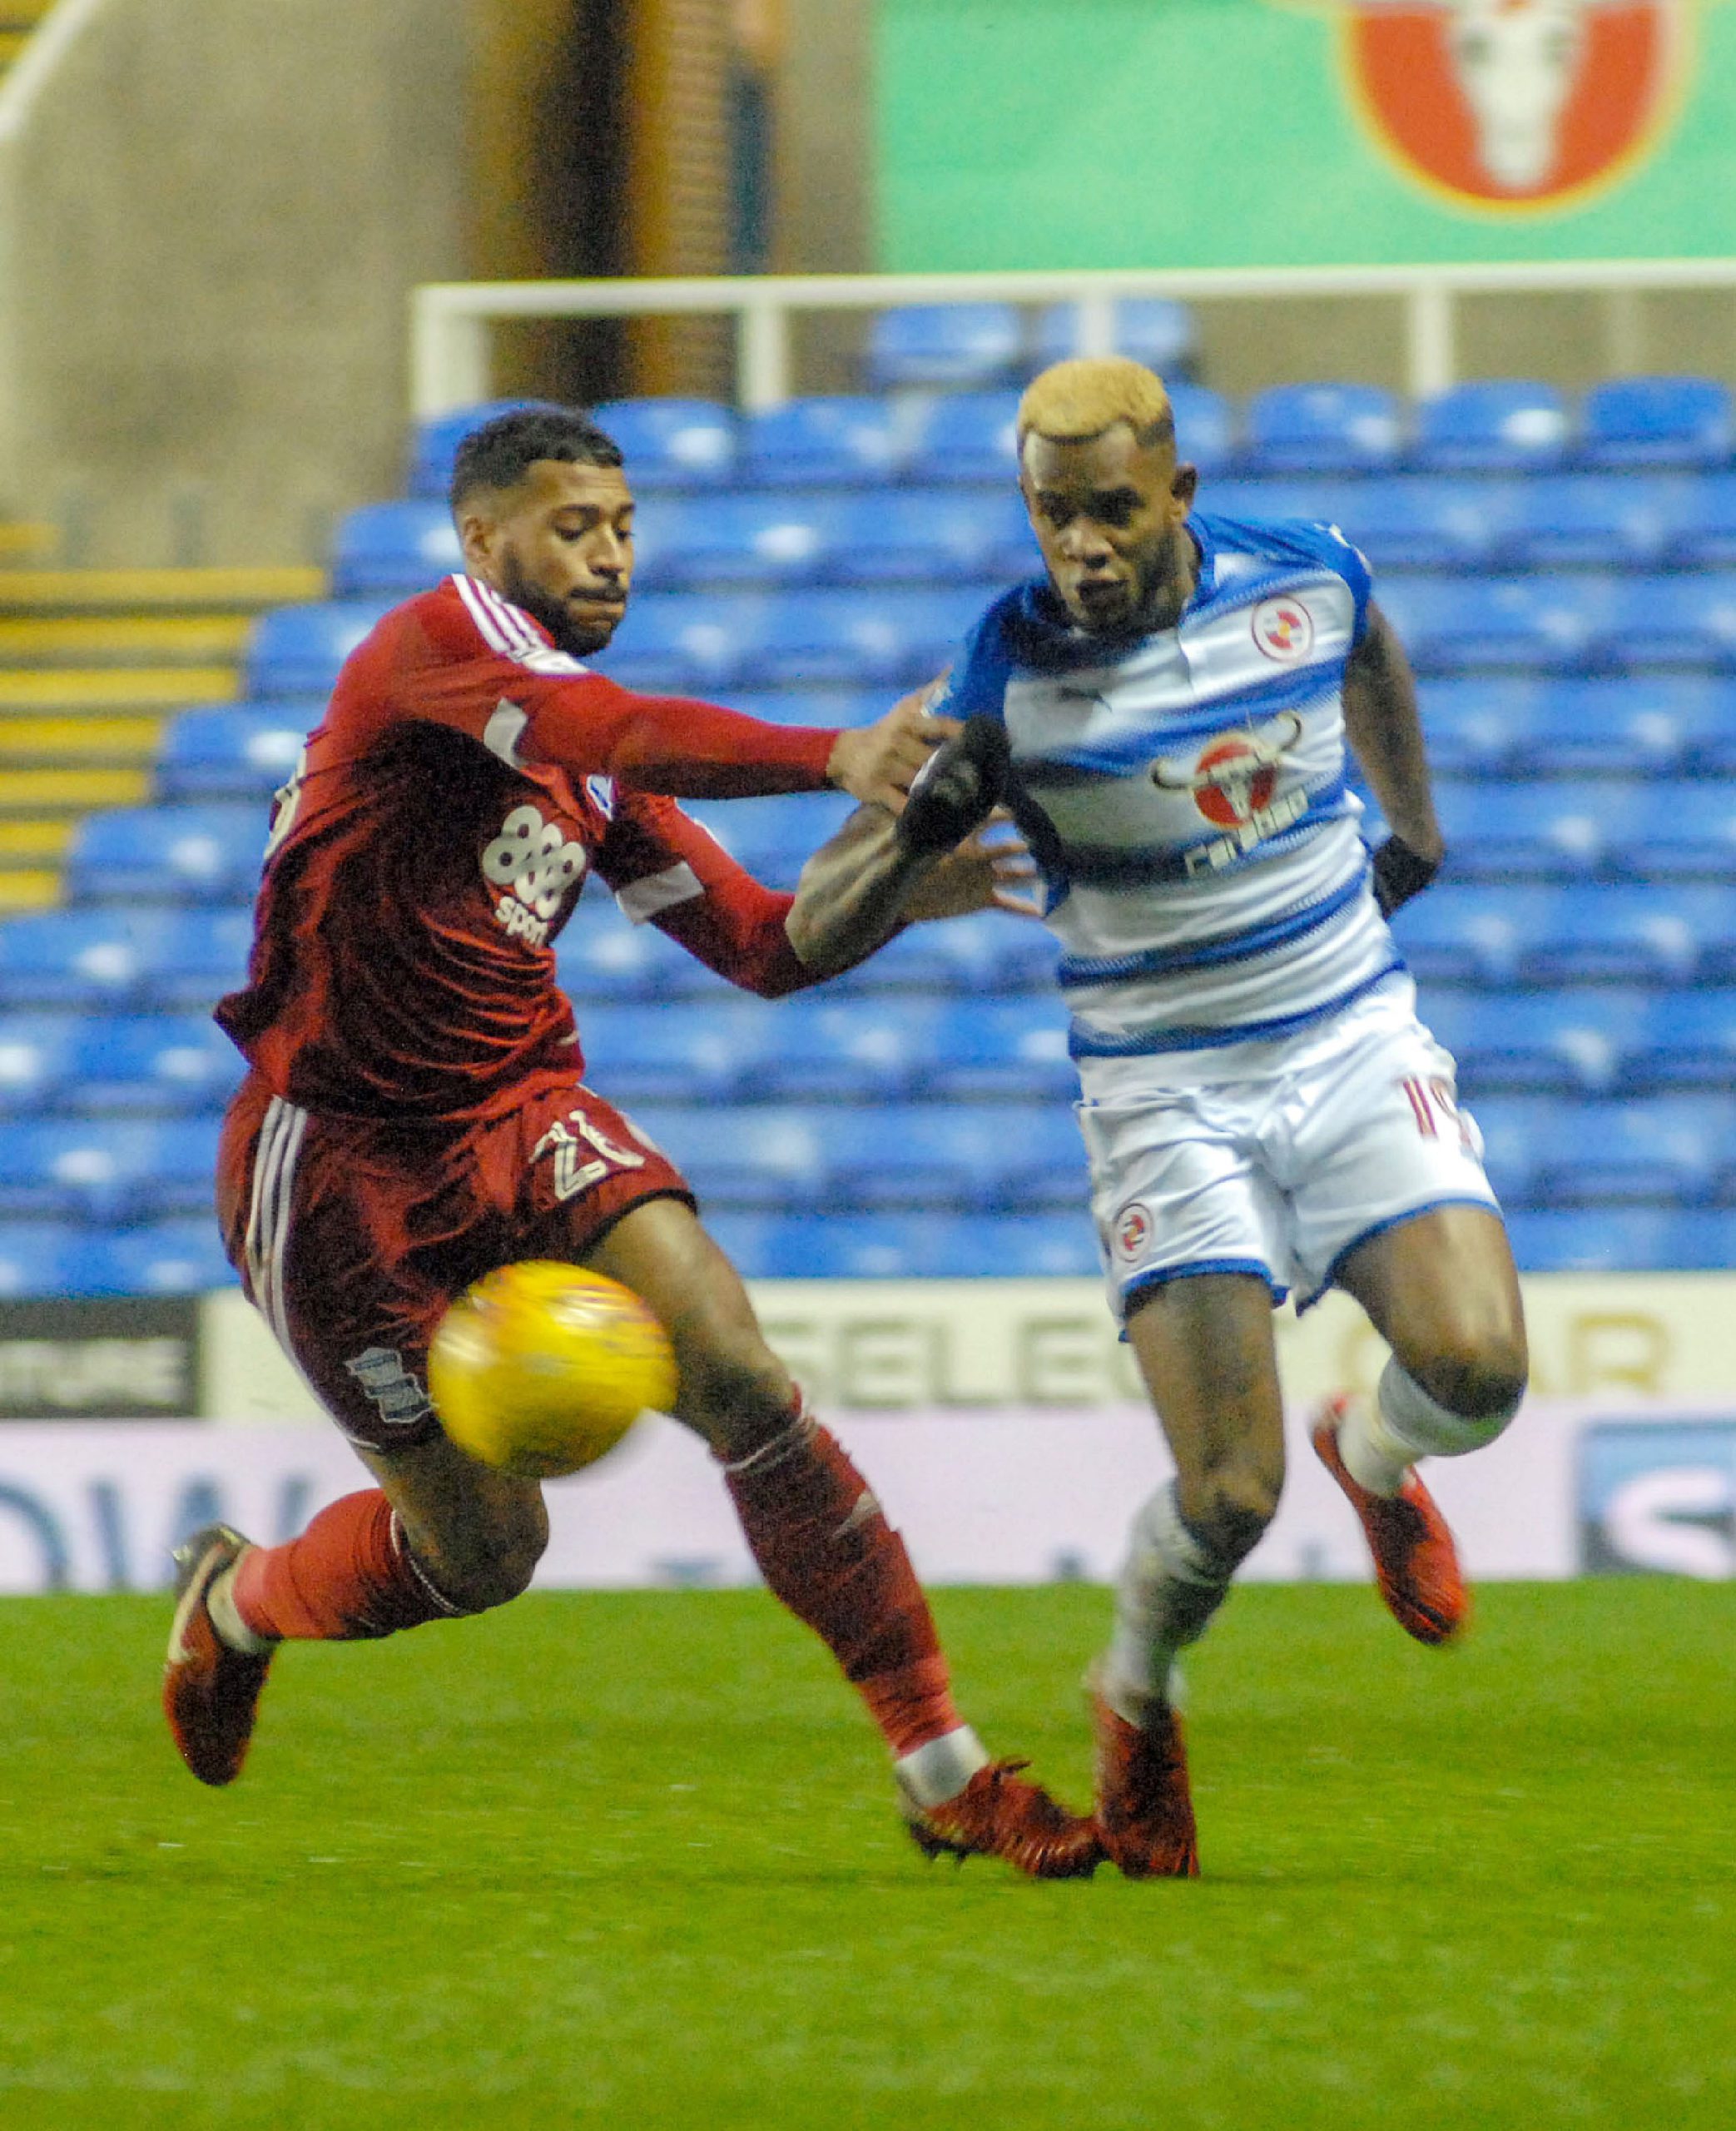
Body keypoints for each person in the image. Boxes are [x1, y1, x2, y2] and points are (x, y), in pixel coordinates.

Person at [162, 404, 1099, 1880]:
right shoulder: (433, 651)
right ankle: (238, 1601)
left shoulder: (592, 761)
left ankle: (945, 1773)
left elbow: (758, 948)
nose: (607, 554)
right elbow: (605, 723)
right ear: (483, 540)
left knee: (739, 1376)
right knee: (484, 1558)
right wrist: (831, 754)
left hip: (523, 1113)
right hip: (338, 1167)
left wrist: (897, 881)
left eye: (622, 526)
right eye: (571, 527)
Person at [791, 358, 1530, 1878]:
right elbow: (810, 928)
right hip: (1161, 1095)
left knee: (1479, 1368)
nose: (1083, 545)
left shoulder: (1303, 579)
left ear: (1178, 494)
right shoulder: (997, 677)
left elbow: (1371, 656)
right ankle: (1134, 1689)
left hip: (1342, 1032)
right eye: (1053, 515)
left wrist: (1418, 832)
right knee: (1228, 1496)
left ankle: (1377, 1457)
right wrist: (916, 836)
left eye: (1113, 509)